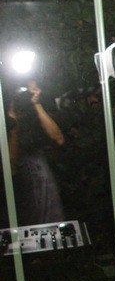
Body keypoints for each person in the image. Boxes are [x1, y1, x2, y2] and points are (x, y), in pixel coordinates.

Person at [5, 81, 66, 225]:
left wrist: (36, 104)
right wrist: (12, 120)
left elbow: (58, 138)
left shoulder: (35, 114)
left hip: (43, 181)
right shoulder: (7, 121)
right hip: (19, 189)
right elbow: (10, 165)